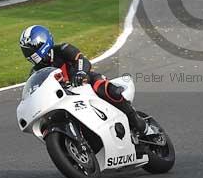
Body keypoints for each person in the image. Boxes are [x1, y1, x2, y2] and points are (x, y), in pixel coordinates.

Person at [19, 25, 157, 137]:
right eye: (26, 50)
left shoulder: (63, 49)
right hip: (65, 97)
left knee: (109, 91)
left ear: (42, 41)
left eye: (32, 47)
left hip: (86, 82)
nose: (29, 53)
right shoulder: (35, 71)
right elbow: (35, 90)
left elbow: (81, 60)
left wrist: (80, 73)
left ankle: (142, 126)